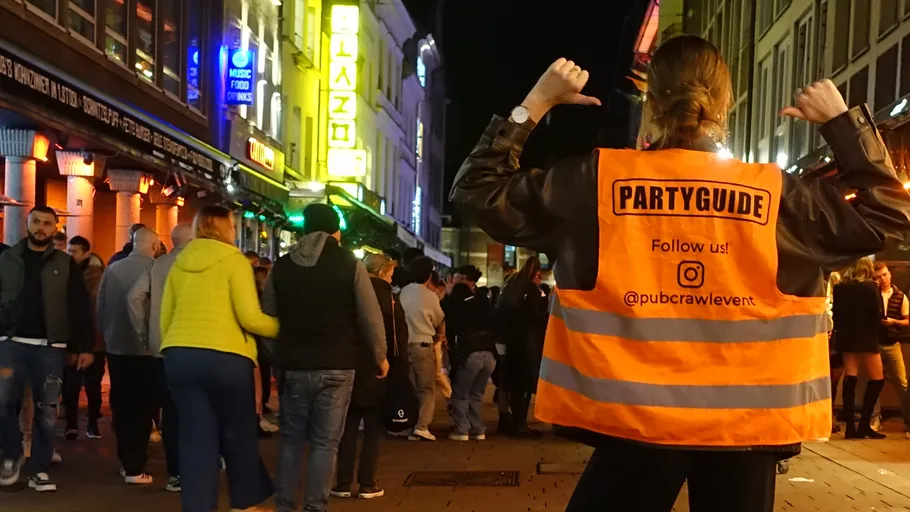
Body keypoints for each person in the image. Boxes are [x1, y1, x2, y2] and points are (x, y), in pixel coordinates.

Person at [448, 35, 910, 511]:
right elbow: (889, 214)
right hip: (747, 427)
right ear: (725, 103)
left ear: (650, 102)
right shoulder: (779, 198)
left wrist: (536, 103)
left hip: (633, 424)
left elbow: (477, 192)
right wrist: (841, 125)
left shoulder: (598, 183)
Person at [261, 203, 388, 512]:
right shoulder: (349, 264)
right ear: (336, 232)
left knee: (291, 440)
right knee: (325, 443)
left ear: (304, 230)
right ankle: (315, 507)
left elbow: (267, 317)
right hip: (338, 364)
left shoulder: (282, 265)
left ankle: (285, 505)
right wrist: (380, 356)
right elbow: (370, 316)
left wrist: (277, 354)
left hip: (293, 364)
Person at [160, 205, 278, 512]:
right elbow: (250, 317)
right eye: (233, 227)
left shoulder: (180, 262)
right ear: (223, 229)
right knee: (238, 432)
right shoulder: (234, 261)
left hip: (180, 356)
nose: (235, 232)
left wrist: (175, 346)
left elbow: (166, 317)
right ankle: (244, 503)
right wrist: (282, 327)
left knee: (195, 438)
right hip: (227, 359)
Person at [0, 206, 94, 492]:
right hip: (10, 343)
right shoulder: (7, 259)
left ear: (55, 228)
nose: (41, 227)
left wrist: (85, 347)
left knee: (48, 410)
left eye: (47, 224)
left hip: (50, 348)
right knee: (2, 403)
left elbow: (79, 306)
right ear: (28, 224)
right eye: (36, 222)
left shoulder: (65, 264)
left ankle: (39, 468)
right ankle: (11, 455)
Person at [332, 253, 408, 500]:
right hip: (380, 367)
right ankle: (367, 483)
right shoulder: (391, 300)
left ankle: (342, 483)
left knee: (347, 426)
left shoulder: (349, 294)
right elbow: (399, 340)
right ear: (384, 272)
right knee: (374, 428)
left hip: (350, 365)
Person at [127, 223, 194, 493]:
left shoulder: (157, 265)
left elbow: (134, 297)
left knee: (172, 412)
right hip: (195, 347)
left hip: (162, 349)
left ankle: (175, 473)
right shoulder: (200, 264)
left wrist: (144, 332)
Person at [97, 227, 161, 484]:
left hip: (116, 348)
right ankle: (136, 465)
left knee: (122, 405)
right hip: (145, 350)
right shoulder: (155, 270)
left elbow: (100, 307)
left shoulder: (112, 269)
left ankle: (126, 461)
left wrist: (106, 336)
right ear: (155, 246)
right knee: (144, 408)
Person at [834, 258, 888, 439]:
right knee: (877, 379)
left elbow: (837, 315)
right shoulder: (871, 287)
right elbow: (877, 314)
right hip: (867, 337)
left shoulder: (840, 287)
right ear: (867, 269)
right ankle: (865, 424)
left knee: (851, 378)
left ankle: (850, 426)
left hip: (847, 338)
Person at [498, 256, 548, 438]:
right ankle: (520, 424)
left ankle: (508, 419)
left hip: (512, 343)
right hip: (528, 344)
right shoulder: (532, 292)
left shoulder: (511, 289)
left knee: (512, 384)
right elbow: (537, 317)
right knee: (524, 385)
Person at [63, 235, 106, 440]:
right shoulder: (66, 272)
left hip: (94, 338)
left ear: (86, 253)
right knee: (70, 384)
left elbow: (98, 309)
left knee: (92, 384)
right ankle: (71, 423)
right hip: (71, 337)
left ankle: (92, 422)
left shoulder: (98, 276)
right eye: (69, 251)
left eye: (75, 251)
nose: (71, 255)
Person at [445, 280, 498, 442]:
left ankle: (462, 430)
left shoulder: (458, 308)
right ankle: (478, 429)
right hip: (489, 354)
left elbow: (449, 327)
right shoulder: (483, 306)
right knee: (476, 394)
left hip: (470, 354)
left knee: (461, 394)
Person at [400, 256, 446, 441]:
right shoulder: (429, 296)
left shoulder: (402, 292)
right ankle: (421, 426)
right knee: (426, 388)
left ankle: (408, 425)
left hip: (405, 345)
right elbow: (438, 319)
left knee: (409, 387)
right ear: (429, 274)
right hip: (423, 345)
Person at [872, 261, 910, 435]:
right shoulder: (871, 295)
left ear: (890, 274)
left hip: (893, 344)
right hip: (875, 343)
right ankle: (874, 420)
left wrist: (895, 322)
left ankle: (908, 422)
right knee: (874, 383)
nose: (883, 279)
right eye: (879, 277)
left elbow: (907, 320)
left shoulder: (900, 296)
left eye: (885, 275)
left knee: (902, 383)